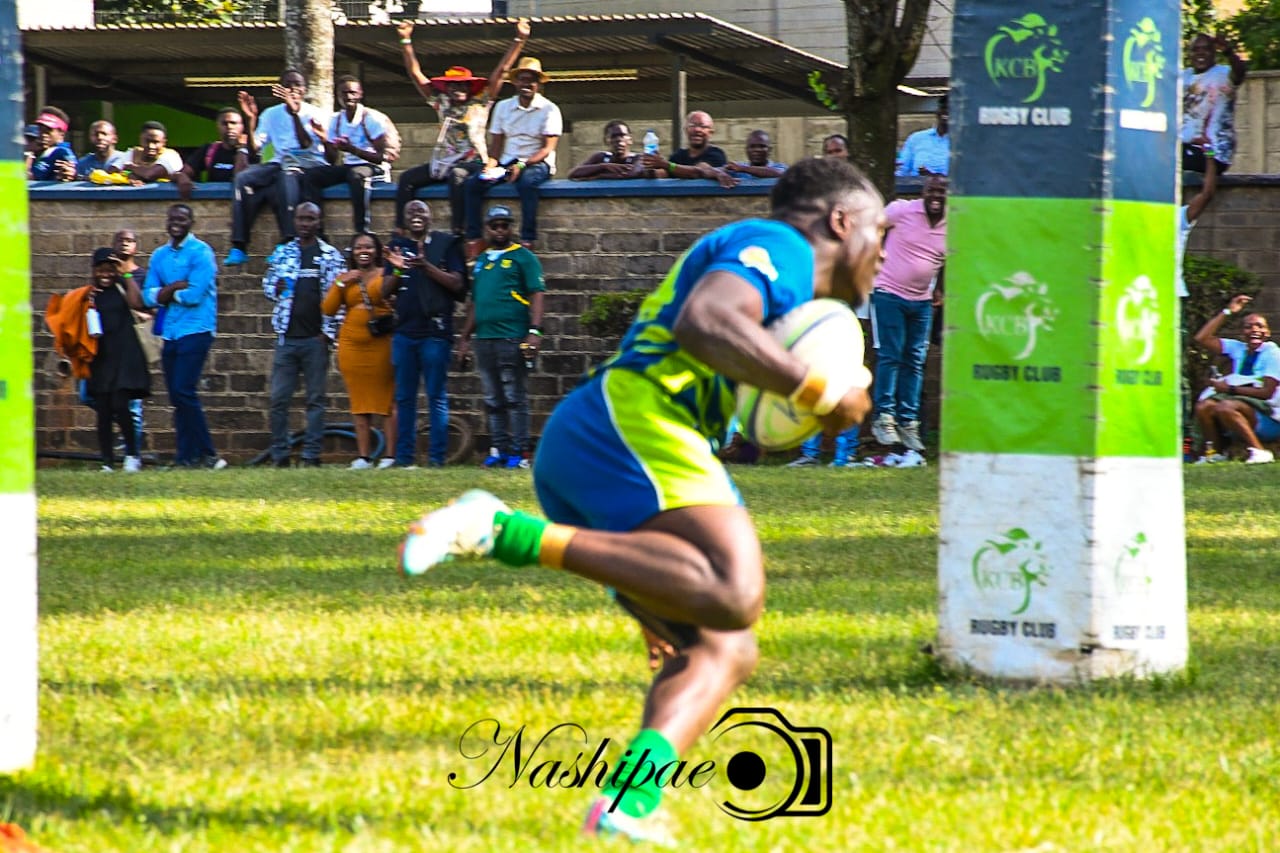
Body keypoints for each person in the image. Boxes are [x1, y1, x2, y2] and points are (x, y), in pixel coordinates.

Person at [399, 157, 885, 843]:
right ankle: (497, 529)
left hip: (605, 441)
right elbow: (707, 320)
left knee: (723, 644)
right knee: (733, 588)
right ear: (841, 221)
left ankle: (626, 803)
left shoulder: (788, 286)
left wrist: (814, 400)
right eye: (879, 231)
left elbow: (752, 401)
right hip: (632, 420)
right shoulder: (783, 246)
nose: (883, 251)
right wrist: (819, 390)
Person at [394, 19, 529, 234]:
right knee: (407, 179)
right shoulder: (442, 102)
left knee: (458, 176)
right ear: (446, 89)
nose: (458, 88)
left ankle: (459, 230)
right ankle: (400, 229)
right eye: (453, 85)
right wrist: (405, 40)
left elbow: (502, 71)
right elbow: (415, 74)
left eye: (462, 85)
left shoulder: (480, 102)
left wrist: (519, 39)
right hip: (442, 161)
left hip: (472, 161)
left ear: (469, 87)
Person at [456, 205, 545, 469]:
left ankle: (520, 452)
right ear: (487, 228)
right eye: (494, 226)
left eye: (504, 225)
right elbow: (476, 301)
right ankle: (499, 449)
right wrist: (464, 337)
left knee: (514, 396)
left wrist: (535, 330)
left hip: (511, 337)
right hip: (484, 339)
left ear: (510, 227)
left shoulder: (523, 257)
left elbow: (537, 293)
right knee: (492, 398)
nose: (499, 230)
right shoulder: (482, 260)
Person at [868, 174, 947, 465]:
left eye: (942, 191)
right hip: (889, 292)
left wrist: (940, 288)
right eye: (932, 190)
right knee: (891, 355)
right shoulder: (902, 210)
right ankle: (884, 417)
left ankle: (908, 421)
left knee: (916, 359)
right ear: (923, 192)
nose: (936, 196)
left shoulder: (953, 223)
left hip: (922, 301)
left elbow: (949, 259)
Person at [141, 204, 227, 469]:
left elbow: (194, 296)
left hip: (197, 329)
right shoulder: (159, 255)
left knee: (183, 390)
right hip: (171, 331)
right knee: (177, 396)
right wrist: (174, 287)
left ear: (191, 222)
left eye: (182, 218)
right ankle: (186, 457)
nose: (176, 222)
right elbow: (147, 295)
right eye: (172, 218)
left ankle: (209, 453)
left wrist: (166, 294)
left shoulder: (201, 252)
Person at [261, 202, 346, 467]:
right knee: (278, 399)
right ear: (294, 221)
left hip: (315, 341)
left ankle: (311, 456)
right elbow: (267, 287)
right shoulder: (284, 252)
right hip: (287, 338)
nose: (305, 223)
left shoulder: (330, 255)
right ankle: (280, 455)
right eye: (301, 219)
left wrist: (328, 334)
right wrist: (276, 287)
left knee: (315, 400)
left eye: (310, 219)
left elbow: (339, 298)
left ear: (318, 222)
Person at [385, 200, 467, 467]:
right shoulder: (397, 247)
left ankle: (436, 459)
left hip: (435, 333)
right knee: (405, 398)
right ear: (404, 218)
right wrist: (398, 269)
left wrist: (426, 266)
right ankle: (405, 458)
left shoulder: (446, 245)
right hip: (405, 334)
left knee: (436, 396)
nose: (416, 215)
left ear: (430, 217)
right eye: (410, 211)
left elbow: (457, 284)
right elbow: (384, 292)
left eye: (421, 211)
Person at [226, 70, 329, 266]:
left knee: (285, 176)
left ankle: (288, 239)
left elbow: (305, 144)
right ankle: (238, 245)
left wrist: (295, 112)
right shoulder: (271, 114)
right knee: (243, 178)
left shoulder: (315, 113)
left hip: (308, 162)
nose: (292, 89)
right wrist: (251, 120)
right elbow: (255, 149)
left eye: (297, 85)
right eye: (287, 84)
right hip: (280, 161)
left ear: (304, 89)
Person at [462, 55, 562, 252]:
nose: (527, 84)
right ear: (515, 82)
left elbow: (547, 148)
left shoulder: (550, 109)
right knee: (473, 184)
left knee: (527, 184)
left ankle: (527, 238)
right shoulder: (503, 107)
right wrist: (490, 166)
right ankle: (474, 238)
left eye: (532, 80)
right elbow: (496, 145)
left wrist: (522, 165)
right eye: (523, 79)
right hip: (508, 161)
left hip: (536, 162)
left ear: (538, 84)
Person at [322, 233, 398, 469]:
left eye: (368, 247)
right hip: (352, 346)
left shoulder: (385, 274)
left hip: (381, 344)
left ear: (376, 251)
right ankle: (364, 457)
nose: (363, 251)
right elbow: (328, 309)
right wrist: (341, 282)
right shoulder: (345, 278)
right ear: (352, 252)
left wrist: (396, 271)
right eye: (358, 247)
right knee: (359, 402)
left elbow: (390, 291)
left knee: (387, 401)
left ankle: (389, 456)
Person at [81, 248, 151, 472]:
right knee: (103, 411)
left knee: (121, 406)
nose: (106, 274)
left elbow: (137, 303)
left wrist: (125, 274)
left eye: (110, 269)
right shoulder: (89, 295)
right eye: (101, 270)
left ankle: (132, 455)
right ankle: (107, 462)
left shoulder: (122, 287)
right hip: (100, 359)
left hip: (125, 356)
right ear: (94, 271)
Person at [1191, 295, 1279, 465]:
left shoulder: (1273, 354)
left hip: (1269, 417)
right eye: (1248, 327)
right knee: (1204, 406)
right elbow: (1201, 338)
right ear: (1242, 333)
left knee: (1225, 406)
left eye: (1259, 326)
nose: (1254, 330)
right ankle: (1214, 453)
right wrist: (1228, 311)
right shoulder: (1238, 348)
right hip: (1241, 405)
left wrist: (1229, 389)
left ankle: (1260, 451)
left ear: (1267, 333)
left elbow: (1267, 392)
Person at [307, 76, 399, 237]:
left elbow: (382, 157)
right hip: (350, 166)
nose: (348, 97)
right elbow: (331, 160)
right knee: (312, 175)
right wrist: (326, 140)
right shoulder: (335, 120)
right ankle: (317, 230)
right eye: (344, 93)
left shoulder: (371, 118)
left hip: (374, 168)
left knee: (356, 175)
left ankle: (362, 229)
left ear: (360, 94)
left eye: (352, 92)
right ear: (338, 96)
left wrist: (352, 149)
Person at [1182, 32, 1247, 174]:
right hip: (1186, 146)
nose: (1201, 53)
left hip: (1214, 152)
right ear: (1190, 53)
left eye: (1206, 49)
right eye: (1196, 49)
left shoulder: (1224, 74)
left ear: (1214, 52)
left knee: (1175, 161)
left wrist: (1228, 52)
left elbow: (1240, 72)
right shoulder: (1183, 77)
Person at [175, 107, 256, 199]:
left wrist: (242, 149)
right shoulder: (210, 150)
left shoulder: (251, 152)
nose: (229, 127)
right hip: (213, 204)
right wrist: (181, 177)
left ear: (242, 127)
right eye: (225, 123)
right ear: (218, 126)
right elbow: (183, 172)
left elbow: (241, 179)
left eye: (234, 123)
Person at [642, 110, 736, 188]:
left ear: (711, 132)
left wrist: (663, 163)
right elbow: (665, 173)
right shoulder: (678, 155)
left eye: (703, 126)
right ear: (686, 130)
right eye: (692, 125)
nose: (697, 130)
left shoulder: (715, 154)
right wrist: (649, 168)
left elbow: (698, 172)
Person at [568, 120, 643, 180]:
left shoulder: (638, 158)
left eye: (622, 135)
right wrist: (604, 167)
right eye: (614, 136)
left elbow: (632, 173)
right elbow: (573, 174)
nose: (619, 140)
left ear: (630, 139)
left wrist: (598, 176)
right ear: (606, 140)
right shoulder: (601, 157)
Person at [114, 121, 184, 185]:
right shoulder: (133, 153)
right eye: (147, 141)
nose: (151, 146)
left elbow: (149, 174)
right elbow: (112, 171)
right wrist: (129, 174)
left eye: (156, 142)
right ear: (141, 140)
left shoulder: (171, 156)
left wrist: (129, 166)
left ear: (164, 142)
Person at [896, 94, 949, 177]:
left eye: (951, 109)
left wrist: (934, 176)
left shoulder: (964, 141)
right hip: (916, 188)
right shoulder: (916, 138)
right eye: (943, 107)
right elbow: (902, 170)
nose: (946, 111)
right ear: (937, 112)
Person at [26, 107, 76, 182]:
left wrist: (70, 173)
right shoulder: (40, 152)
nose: (43, 134)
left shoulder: (61, 151)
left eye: (48, 131)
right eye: (40, 129)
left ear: (61, 134)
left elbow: (72, 170)